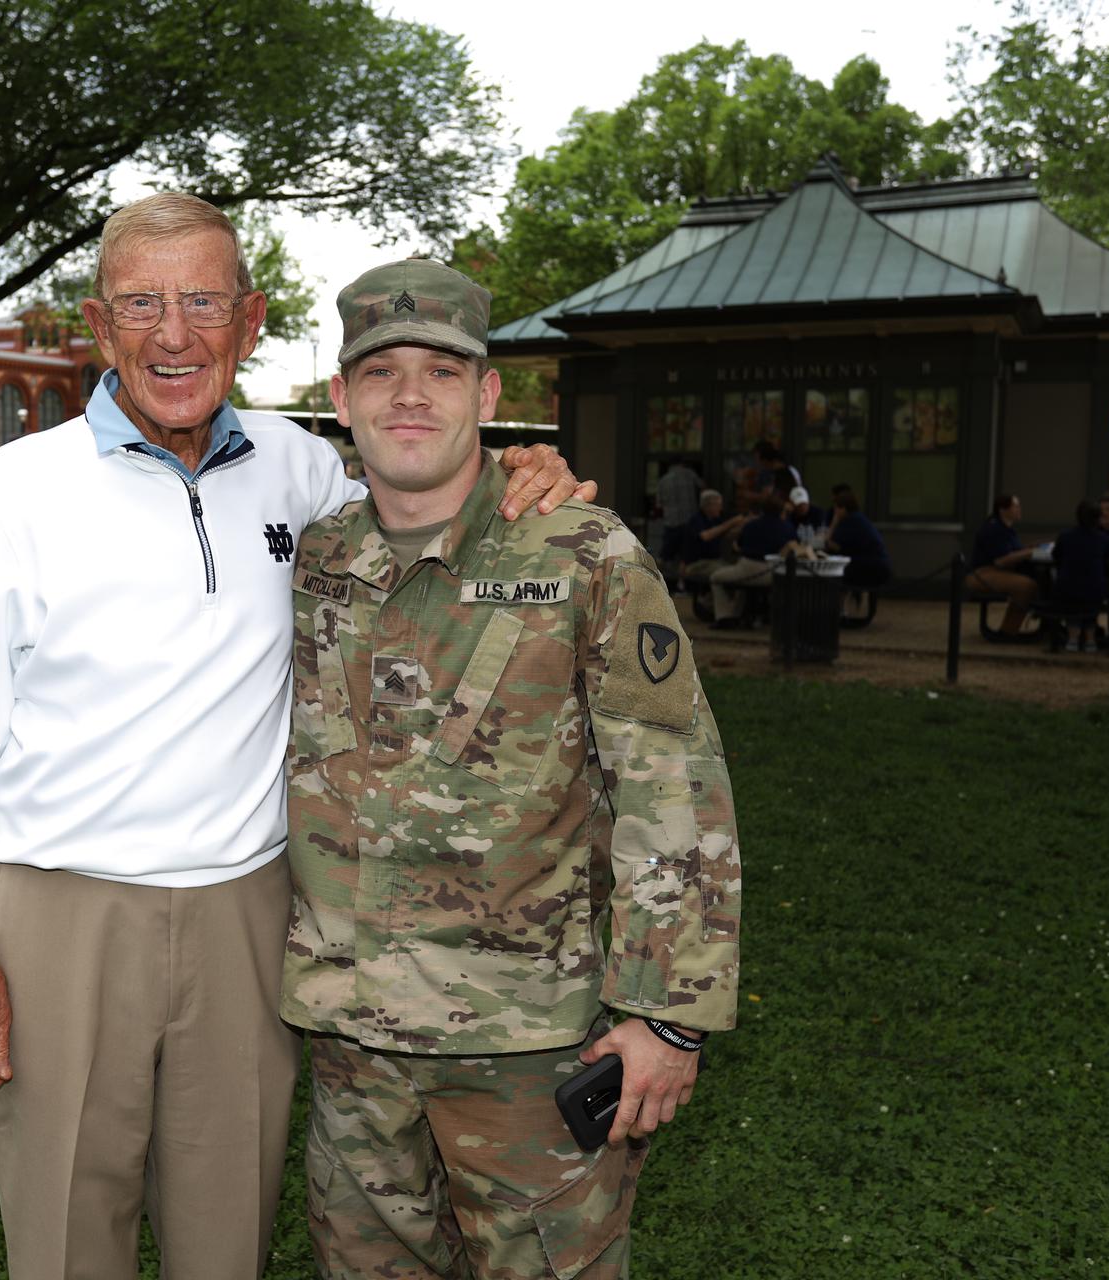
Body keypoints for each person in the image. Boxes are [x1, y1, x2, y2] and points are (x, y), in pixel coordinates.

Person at [0, 195, 591, 1280]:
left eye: (203, 302)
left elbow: (426, 509)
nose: (173, 333)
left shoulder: (301, 469)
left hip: (251, 913)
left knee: (226, 1237)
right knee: (65, 1235)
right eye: (142, 303)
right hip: (61, 909)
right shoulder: (19, 490)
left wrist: (523, 481)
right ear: (98, 326)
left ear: (251, 319)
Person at [282, 255, 739, 1280]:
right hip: (354, 1044)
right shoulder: (319, 558)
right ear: (341, 397)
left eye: (441, 371)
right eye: (380, 369)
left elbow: (675, 787)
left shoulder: (584, 555)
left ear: (487, 394)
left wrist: (668, 1013)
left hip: (530, 1047)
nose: (409, 393)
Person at [705, 494, 798, 624]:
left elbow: (739, 547)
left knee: (715, 578)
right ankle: (739, 614)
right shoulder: (788, 527)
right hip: (774, 572)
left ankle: (725, 616)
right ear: (782, 510)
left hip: (748, 568)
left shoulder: (751, 525)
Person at [965, 493, 1042, 637]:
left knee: (1040, 580)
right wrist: (1029, 552)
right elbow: (1001, 560)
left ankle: (1032, 626)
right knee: (1027, 586)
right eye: (1016, 506)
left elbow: (1011, 551)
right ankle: (1008, 631)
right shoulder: (994, 529)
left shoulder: (1006, 528)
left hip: (997, 571)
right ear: (1002, 509)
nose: (1019, 509)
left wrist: (1029, 548)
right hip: (983, 573)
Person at [1049, 500, 1109, 652]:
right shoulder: (1103, 539)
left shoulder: (1065, 536)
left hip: (1067, 586)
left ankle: (1072, 639)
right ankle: (1090, 640)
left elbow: (1056, 556)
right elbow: (1108, 558)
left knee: (1072, 609)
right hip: (1095, 588)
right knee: (1091, 608)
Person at [826, 488, 889, 592]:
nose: (835, 512)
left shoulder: (849, 522)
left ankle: (842, 606)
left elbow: (831, 544)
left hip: (870, 566)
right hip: (879, 565)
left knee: (837, 574)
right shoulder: (859, 519)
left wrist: (833, 523)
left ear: (843, 509)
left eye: (836, 508)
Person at [655, 458, 703, 589]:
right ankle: (682, 584)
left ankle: (656, 582)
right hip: (689, 520)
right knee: (685, 555)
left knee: (664, 554)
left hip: (671, 521)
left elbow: (658, 504)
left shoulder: (663, 480)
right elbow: (702, 487)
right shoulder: (690, 474)